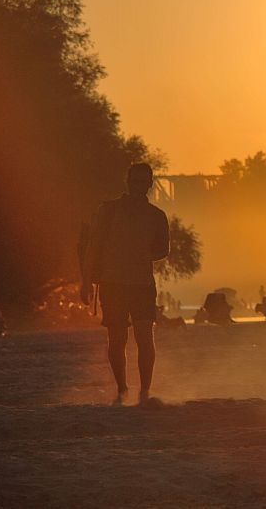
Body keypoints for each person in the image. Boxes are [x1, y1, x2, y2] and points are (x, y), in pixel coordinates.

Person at [87, 163, 169, 407]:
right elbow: (93, 246)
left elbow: (163, 249)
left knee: (145, 336)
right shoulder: (109, 210)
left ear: (150, 184)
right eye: (135, 181)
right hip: (112, 282)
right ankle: (122, 388)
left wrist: (141, 255)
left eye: (144, 182)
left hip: (142, 283)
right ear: (128, 181)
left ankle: (144, 391)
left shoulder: (156, 216)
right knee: (117, 338)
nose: (139, 186)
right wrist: (86, 281)